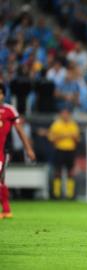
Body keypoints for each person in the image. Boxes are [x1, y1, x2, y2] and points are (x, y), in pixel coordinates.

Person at [0, 83, 36, 219]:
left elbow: (20, 130)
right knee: (1, 181)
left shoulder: (10, 110)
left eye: (0, 93)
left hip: (4, 150)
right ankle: (6, 210)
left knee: (1, 179)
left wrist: (28, 149)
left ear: (4, 95)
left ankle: (6, 209)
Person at [48, 107, 80, 200]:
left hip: (70, 150)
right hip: (60, 150)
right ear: (61, 114)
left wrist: (72, 137)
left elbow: (77, 138)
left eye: (67, 114)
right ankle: (56, 194)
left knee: (70, 172)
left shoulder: (73, 125)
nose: (65, 115)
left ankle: (70, 195)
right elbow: (51, 138)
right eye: (63, 113)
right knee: (57, 172)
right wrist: (62, 136)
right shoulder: (56, 125)